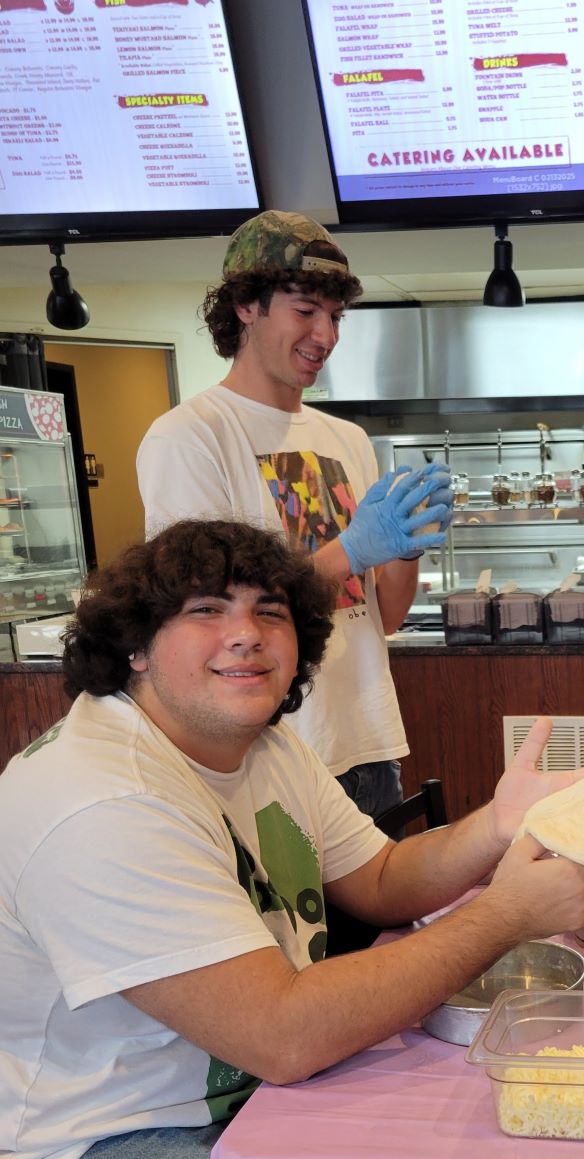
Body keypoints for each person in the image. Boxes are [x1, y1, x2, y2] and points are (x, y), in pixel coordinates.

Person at [0, 520, 584, 1159]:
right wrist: (504, 916)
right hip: (103, 1141)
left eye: (270, 612)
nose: (246, 634)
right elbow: (282, 1036)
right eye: (206, 610)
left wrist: (498, 827)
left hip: (254, 1091)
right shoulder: (104, 801)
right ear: (136, 645)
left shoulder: (264, 745)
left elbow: (382, 880)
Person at [137, 210, 447, 820]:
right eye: (306, 311)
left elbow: (382, 618)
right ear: (245, 305)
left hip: (368, 742)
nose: (325, 336)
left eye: (336, 317)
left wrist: (407, 545)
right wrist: (350, 551)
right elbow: (211, 618)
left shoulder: (347, 439)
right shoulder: (191, 436)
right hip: (268, 750)